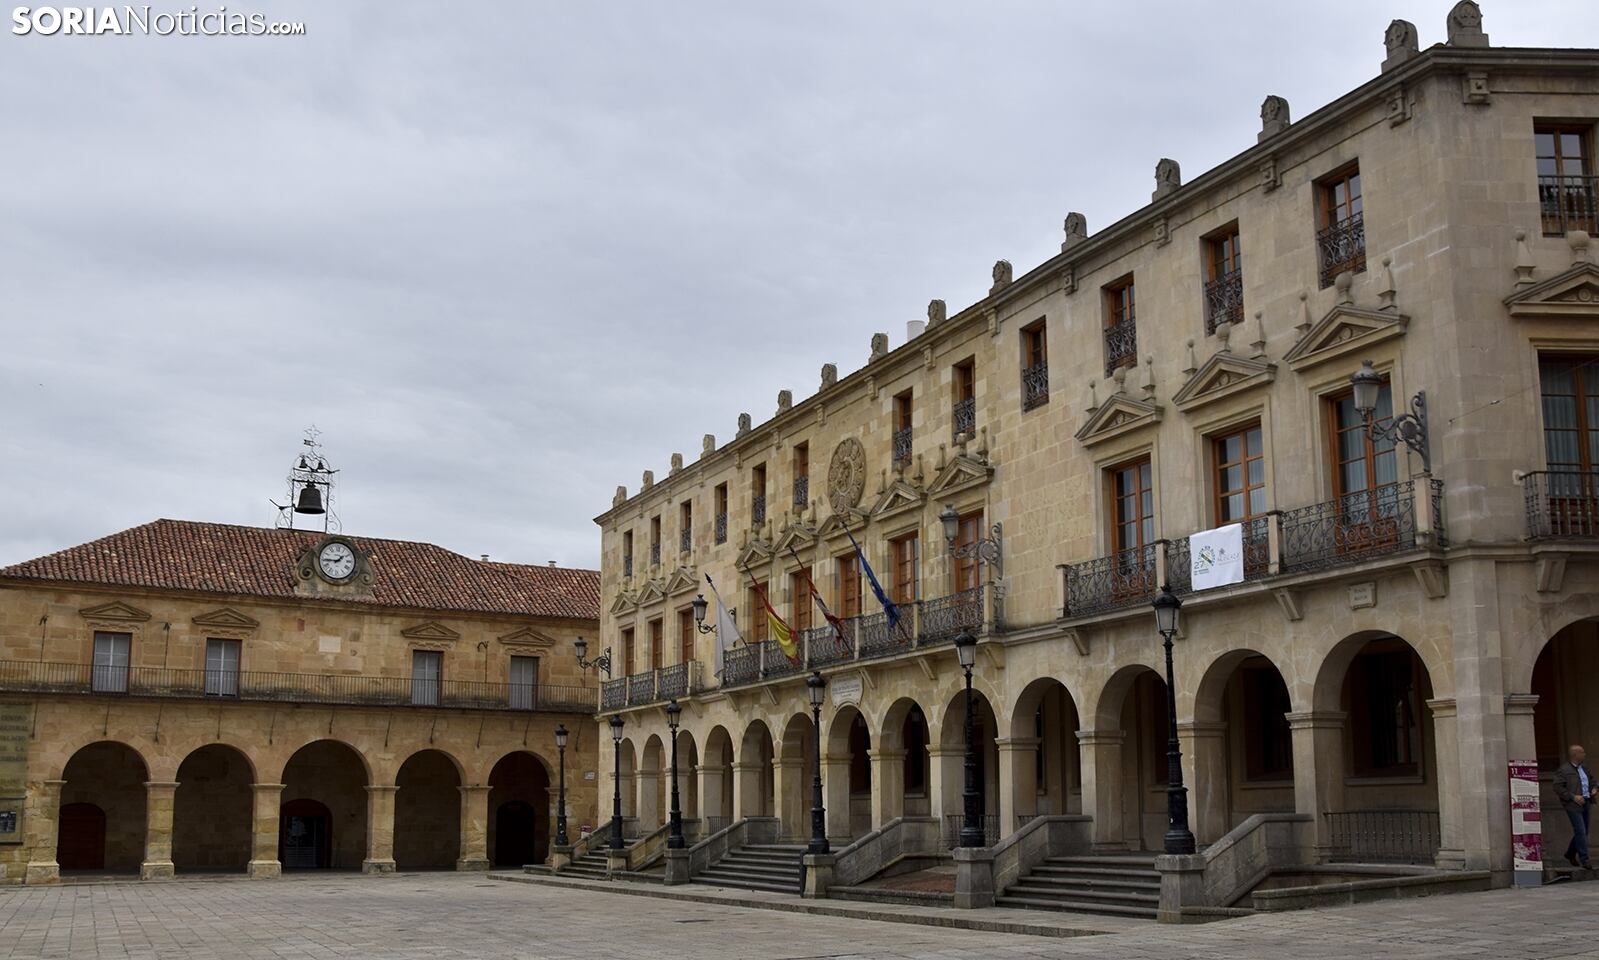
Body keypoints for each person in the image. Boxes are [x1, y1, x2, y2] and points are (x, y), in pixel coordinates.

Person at [1554, 744, 1599, 868]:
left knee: (1584, 832)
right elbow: (1557, 787)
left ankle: (1570, 853)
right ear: (1575, 755)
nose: (1584, 754)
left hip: (1587, 802)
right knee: (1580, 830)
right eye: (1582, 752)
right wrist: (1573, 797)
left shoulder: (1584, 767)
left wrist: (1595, 788)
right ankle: (1584, 859)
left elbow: (1592, 780)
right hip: (1572, 805)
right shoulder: (1564, 770)